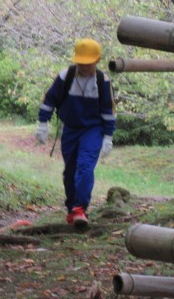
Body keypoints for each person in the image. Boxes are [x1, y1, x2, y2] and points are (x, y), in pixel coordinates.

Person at [35, 38, 116, 227]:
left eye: (88, 63)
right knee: (70, 170)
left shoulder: (102, 81)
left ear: (97, 61)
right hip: (70, 128)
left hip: (93, 129)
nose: (84, 67)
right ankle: (72, 209)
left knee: (85, 166)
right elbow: (50, 100)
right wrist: (42, 123)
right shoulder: (66, 76)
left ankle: (80, 208)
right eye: (81, 63)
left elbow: (108, 111)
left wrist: (108, 136)